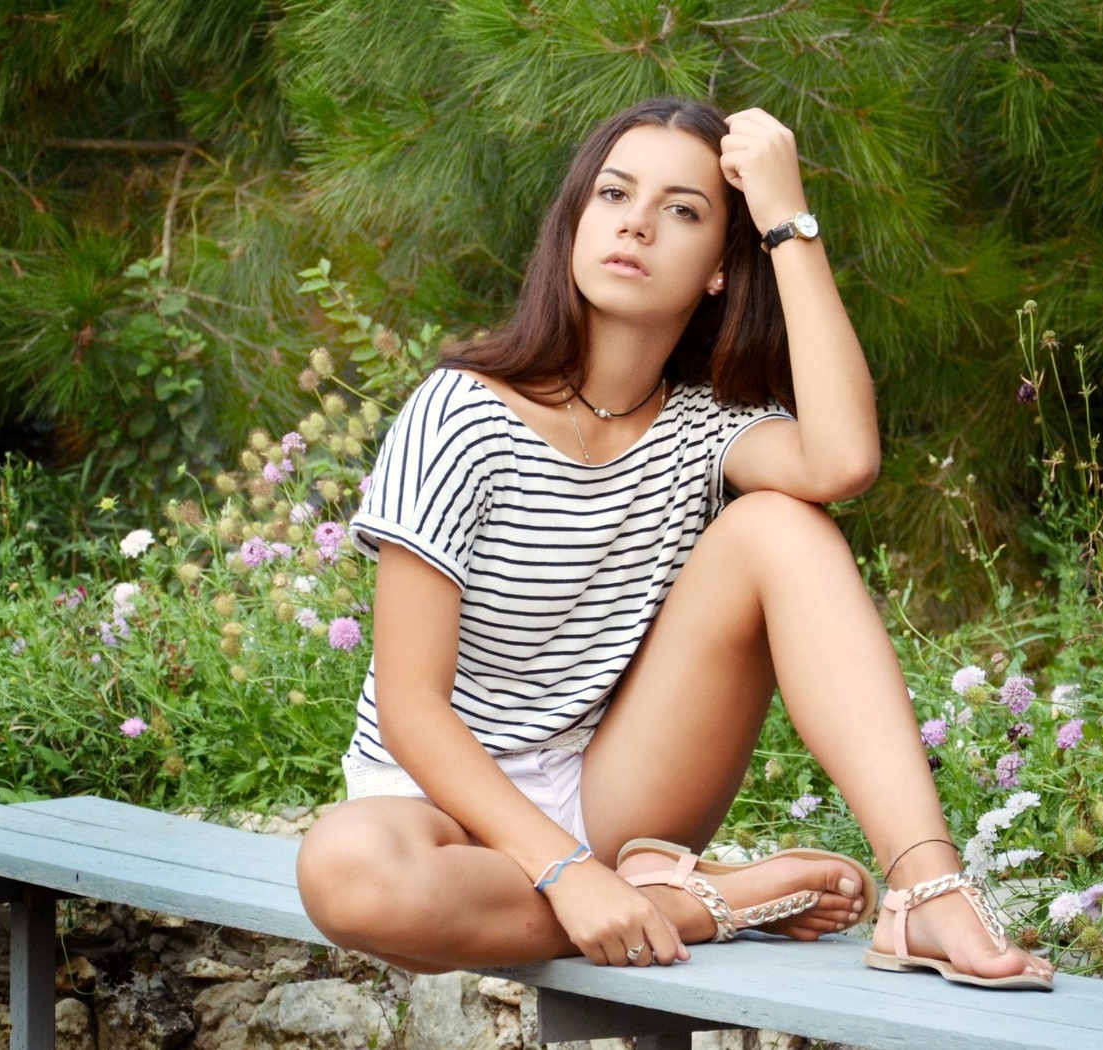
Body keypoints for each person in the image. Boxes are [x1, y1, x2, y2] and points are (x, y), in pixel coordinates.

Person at [295, 97, 1054, 990]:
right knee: (346, 874)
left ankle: (927, 891)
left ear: (720, 273)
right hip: (436, 811)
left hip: (616, 792)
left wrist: (784, 216)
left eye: (683, 210)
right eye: (614, 194)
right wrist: (564, 872)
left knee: (781, 523)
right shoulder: (459, 413)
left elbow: (843, 459)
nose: (637, 225)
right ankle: (697, 904)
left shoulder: (705, 428)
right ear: (575, 223)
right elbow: (412, 709)